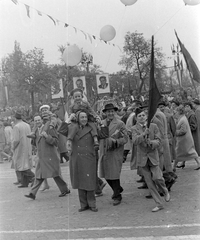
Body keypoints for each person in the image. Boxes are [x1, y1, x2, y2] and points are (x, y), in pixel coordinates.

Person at [131, 107, 170, 212]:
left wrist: (151, 142)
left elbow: (159, 140)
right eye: (139, 116)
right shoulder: (134, 128)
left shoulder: (153, 126)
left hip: (153, 156)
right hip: (142, 159)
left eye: (143, 115)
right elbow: (135, 141)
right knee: (150, 183)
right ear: (136, 118)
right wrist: (144, 134)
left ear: (146, 116)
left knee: (157, 177)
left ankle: (164, 190)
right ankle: (159, 203)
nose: (142, 117)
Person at [25, 113, 70, 200]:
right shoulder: (36, 131)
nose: (37, 122)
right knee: (39, 175)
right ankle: (32, 193)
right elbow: (36, 144)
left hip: (50, 156)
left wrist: (47, 136)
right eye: (35, 121)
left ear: (42, 120)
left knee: (55, 174)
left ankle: (64, 189)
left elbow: (56, 142)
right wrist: (32, 138)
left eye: (39, 120)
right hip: (42, 158)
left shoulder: (49, 128)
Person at [67, 110, 98, 212]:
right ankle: (83, 204)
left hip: (89, 157)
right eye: (82, 117)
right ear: (78, 119)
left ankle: (92, 204)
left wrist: (100, 123)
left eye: (85, 117)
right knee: (80, 181)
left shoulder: (92, 127)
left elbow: (102, 135)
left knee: (89, 181)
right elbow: (62, 131)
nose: (84, 119)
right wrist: (68, 120)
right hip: (77, 158)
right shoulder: (73, 127)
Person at [99, 103, 128, 206]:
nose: (110, 113)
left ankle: (117, 196)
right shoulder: (101, 123)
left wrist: (116, 142)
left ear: (115, 112)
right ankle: (118, 189)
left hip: (115, 152)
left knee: (114, 175)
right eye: (108, 111)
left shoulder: (120, 124)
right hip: (104, 151)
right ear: (105, 113)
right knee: (106, 174)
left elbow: (125, 138)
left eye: (112, 111)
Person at [67, 88, 100, 153]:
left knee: (92, 125)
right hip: (77, 119)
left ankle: (95, 139)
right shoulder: (72, 106)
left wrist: (96, 116)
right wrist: (72, 116)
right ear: (73, 98)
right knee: (73, 127)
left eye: (79, 96)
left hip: (86, 118)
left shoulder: (85, 103)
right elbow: (70, 113)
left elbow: (91, 110)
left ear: (82, 96)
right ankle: (69, 141)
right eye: (75, 97)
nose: (77, 98)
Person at [173, 105, 200, 171]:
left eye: (176, 111)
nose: (175, 113)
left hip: (184, 140)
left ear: (179, 112)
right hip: (184, 140)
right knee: (190, 152)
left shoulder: (182, 119)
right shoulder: (182, 118)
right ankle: (175, 166)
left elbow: (183, 130)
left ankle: (173, 167)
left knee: (179, 153)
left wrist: (175, 132)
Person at [12, 110, 35, 188]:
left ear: (15, 118)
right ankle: (24, 182)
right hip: (27, 146)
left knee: (20, 165)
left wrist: (13, 147)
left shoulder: (16, 127)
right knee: (25, 163)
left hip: (20, 148)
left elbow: (16, 140)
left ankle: (33, 177)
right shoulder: (27, 125)